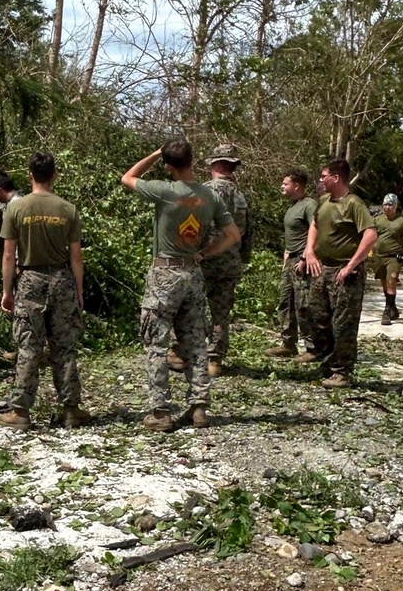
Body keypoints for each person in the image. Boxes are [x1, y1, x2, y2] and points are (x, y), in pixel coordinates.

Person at [122, 140, 239, 432]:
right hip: (193, 273)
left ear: (168, 165)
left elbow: (128, 178)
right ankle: (198, 406)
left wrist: (154, 152)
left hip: (165, 274)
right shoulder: (209, 196)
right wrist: (205, 252)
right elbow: (232, 234)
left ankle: (160, 411)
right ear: (193, 160)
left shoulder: (164, 191)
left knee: (156, 343)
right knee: (195, 342)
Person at [0, 152, 90, 431]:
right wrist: (79, 290)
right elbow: (76, 256)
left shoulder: (15, 209)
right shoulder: (68, 209)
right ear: (54, 175)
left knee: (29, 346)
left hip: (29, 280)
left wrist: (7, 291)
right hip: (62, 279)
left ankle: (21, 412)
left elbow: (8, 255)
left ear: (30, 176)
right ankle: (71, 410)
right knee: (64, 346)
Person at [303, 159, 377, 388]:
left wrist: (351, 265)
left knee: (343, 323)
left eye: (323, 176)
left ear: (336, 178)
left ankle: (342, 371)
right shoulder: (324, 201)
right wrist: (309, 251)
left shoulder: (353, 204)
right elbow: (315, 225)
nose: (320, 180)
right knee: (317, 317)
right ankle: (326, 363)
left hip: (345, 272)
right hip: (322, 269)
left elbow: (371, 234)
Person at [200, 143, 251, 375]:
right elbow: (248, 230)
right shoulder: (241, 196)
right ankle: (215, 360)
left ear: (216, 164)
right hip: (230, 262)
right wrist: (243, 258)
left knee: (191, 306)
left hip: (203, 259)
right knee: (221, 312)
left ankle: (182, 352)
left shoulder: (204, 191)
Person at [266, 167, 317, 359]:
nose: (282, 186)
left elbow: (316, 229)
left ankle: (312, 347)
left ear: (297, 185)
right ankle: (288, 343)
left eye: (285, 183)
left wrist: (306, 257)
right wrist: (286, 255)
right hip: (291, 260)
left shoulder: (309, 205)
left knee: (303, 305)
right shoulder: (292, 206)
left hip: (302, 261)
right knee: (285, 302)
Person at [372, 193, 403, 325]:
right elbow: (370, 237)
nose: (387, 207)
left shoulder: (401, 222)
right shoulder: (377, 220)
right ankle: (393, 307)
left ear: (395, 206)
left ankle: (386, 312)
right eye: (385, 204)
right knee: (384, 284)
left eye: (390, 205)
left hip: (394, 257)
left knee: (392, 280)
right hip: (379, 257)